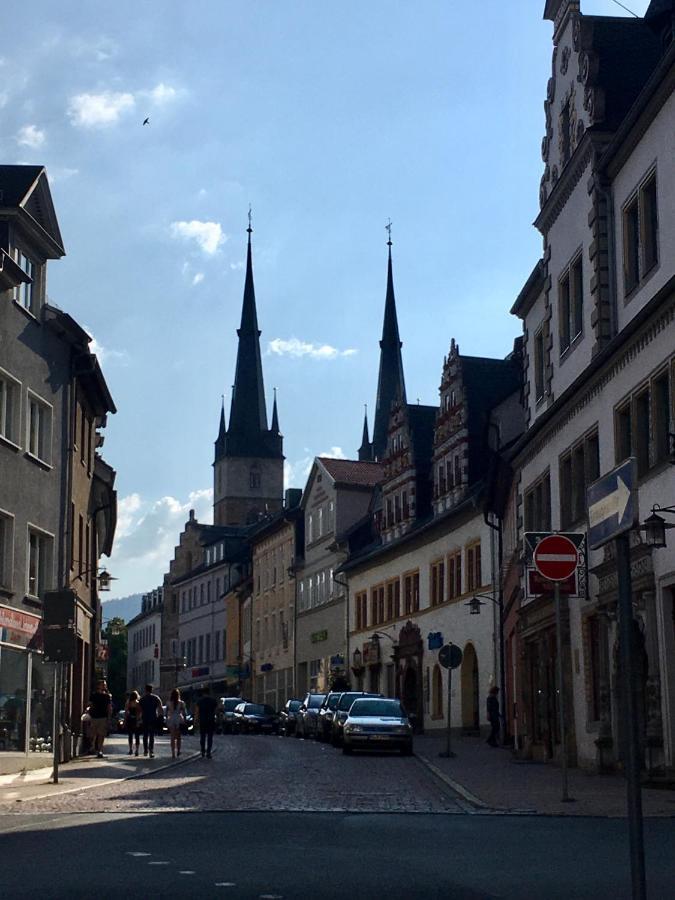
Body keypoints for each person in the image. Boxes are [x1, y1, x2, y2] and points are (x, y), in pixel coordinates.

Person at [89, 679, 113, 758]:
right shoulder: (94, 695)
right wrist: (88, 713)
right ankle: (92, 746)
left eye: (105, 685)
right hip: (94, 717)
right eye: (103, 684)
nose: (104, 686)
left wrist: (109, 718)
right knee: (93, 734)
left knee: (101, 734)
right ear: (98, 686)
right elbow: (90, 705)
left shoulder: (107, 696)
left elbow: (109, 707)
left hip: (103, 717)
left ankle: (100, 750)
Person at [139, 684, 163, 758]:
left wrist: (139, 718)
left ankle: (145, 750)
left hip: (145, 718)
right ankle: (151, 750)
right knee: (152, 735)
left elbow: (139, 710)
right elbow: (160, 708)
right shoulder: (156, 698)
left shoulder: (142, 699)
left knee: (145, 735)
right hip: (153, 717)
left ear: (145, 690)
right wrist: (160, 716)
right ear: (151, 690)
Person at [194, 686, 217, 759]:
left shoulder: (199, 701)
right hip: (211, 720)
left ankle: (203, 751)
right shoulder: (213, 701)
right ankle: (209, 752)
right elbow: (216, 710)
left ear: (203, 693)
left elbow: (197, 712)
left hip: (203, 721)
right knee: (210, 737)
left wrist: (195, 721)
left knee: (202, 737)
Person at [167, 688, 187, 759]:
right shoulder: (181, 703)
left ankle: (173, 753)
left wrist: (167, 720)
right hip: (179, 718)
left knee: (172, 737)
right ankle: (178, 750)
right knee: (178, 737)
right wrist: (185, 720)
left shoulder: (169, 703)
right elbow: (184, 713)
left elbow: (167, 713)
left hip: (172, 719)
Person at [125, 690, 142, 756]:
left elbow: (126, 712)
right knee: (137, 735)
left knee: (130, 735)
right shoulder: (138, 703)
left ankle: (130, 749)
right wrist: (139, 720)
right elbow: (140, 712)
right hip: (136, 720)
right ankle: (137, 750)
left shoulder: (128, 703)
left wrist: (125, 721)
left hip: (129, 720)